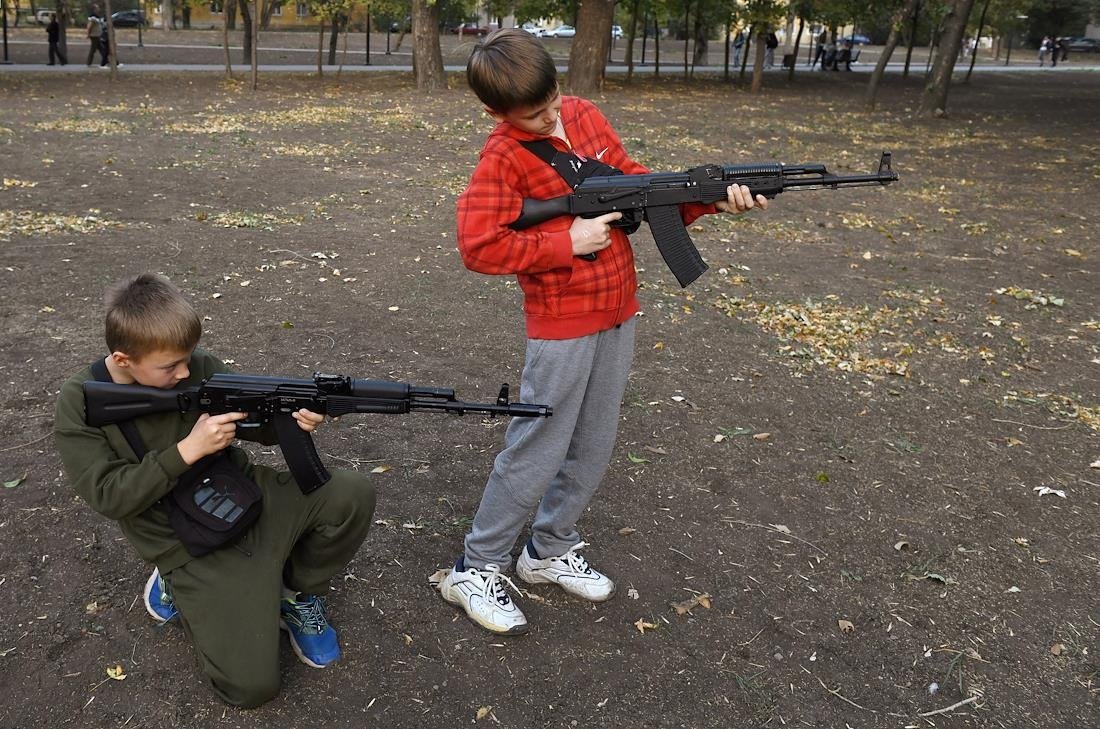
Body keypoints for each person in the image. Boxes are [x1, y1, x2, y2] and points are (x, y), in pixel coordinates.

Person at [441, 29, 768, 635]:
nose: (551, 117)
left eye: (554, 100)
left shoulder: (585, 115)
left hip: (617, 307)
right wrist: (563, 242)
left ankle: (549, 550)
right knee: (537, 447)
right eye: (534, 115)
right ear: (495, 113)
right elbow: (478, 244)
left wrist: (708, 200)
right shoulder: (503, 158)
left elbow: (640, 188)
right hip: (561, 323)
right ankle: (476, 566)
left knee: (593, 441)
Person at [54, 273, 375, 707]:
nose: (187, 372)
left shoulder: (195, 365)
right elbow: (109, 496)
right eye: (171, 367)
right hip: (180, 537)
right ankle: (175, 584)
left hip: (242, 494)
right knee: (251, 687)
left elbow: (251, 422)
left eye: (188, 358)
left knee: (350, 493)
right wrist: (185, 451)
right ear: (123, 359)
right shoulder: (80, 402)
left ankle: (294, 592)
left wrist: (291, 419)